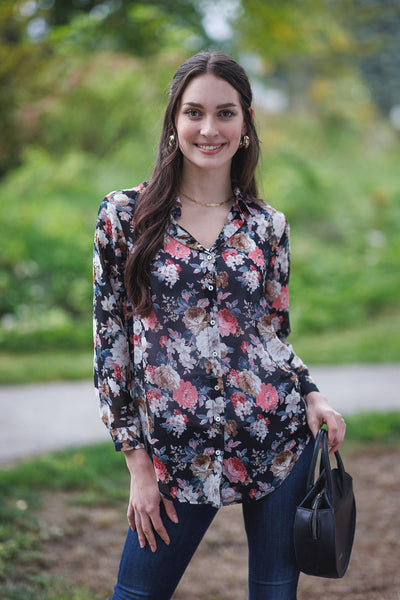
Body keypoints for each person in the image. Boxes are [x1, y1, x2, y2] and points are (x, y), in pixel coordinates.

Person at [93, 51, 346, 600]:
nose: (210, 129)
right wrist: (139, 465)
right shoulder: (124, 216)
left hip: (277, 442)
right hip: (173, 455)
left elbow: (272, 335)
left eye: (226, 113)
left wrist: (313, 394)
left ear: (246, 124)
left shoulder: (267, 226)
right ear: (174, 122)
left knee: (275, 593)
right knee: (136, 594)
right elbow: (110, 350)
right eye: (194, 113)